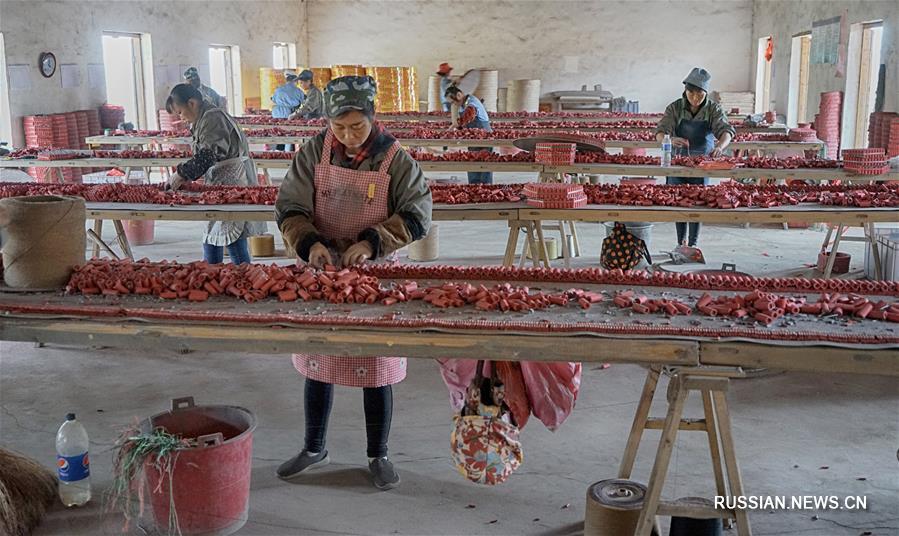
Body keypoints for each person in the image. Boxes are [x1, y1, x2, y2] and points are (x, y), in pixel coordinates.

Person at [274, 75, 432, 490]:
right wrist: (308, 244)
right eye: (338, 127)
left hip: (375, 273)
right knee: (318, 360)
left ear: (372, 118)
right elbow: (290, 206)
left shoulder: (395, 159)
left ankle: (378, 454)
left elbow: (417, 215)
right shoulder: (313, 151)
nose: (346, 136)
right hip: (323, 269)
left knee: (375, 364)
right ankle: (314, 447)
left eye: (356, 127)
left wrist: (373, 241)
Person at [165, 84, 267, 264]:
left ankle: (244, 279)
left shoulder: (212, 118)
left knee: (232, 234)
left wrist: (181, 174)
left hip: (231, 181)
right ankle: (212, 274)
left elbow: (208, 155)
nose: (181, 118)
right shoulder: (203, 117)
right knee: (213, 231)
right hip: (219, 180)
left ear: (192, 103)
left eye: (180, 112)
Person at [655, 67, 735, 248]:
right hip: (678, 161)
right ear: (685, 90)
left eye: (699, 94)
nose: (695, 98)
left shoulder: (713, 109)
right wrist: (669, 139)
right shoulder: (675, 107)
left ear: (705, 92)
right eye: (691, 93)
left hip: (702, 162)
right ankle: (680, 243)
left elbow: (727, 131)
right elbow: (660, 132)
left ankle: (693, 244)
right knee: (677, 201)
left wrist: (720, 147)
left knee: (698, 203)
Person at [445, 85, 493, 185]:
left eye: (453, 102)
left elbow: (463, 121)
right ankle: (474, 188)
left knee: (485, 164)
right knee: (472, 163)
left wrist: (453, 128)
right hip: (473, 139)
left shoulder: (471, 104)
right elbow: (458, 124)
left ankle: (486, 190)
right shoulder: (464, 104)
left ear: (458, 95)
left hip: (485, 137)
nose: (453, 105)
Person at [272, 71, 305, 151]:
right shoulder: (298, 91)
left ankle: (278, 152)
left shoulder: (278, 89)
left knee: (279, 133)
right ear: (295, 81)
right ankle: (287, 154)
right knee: (288, 135)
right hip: (288, 113)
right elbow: (304, 103)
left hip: (276, 113)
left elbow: (273, 99)